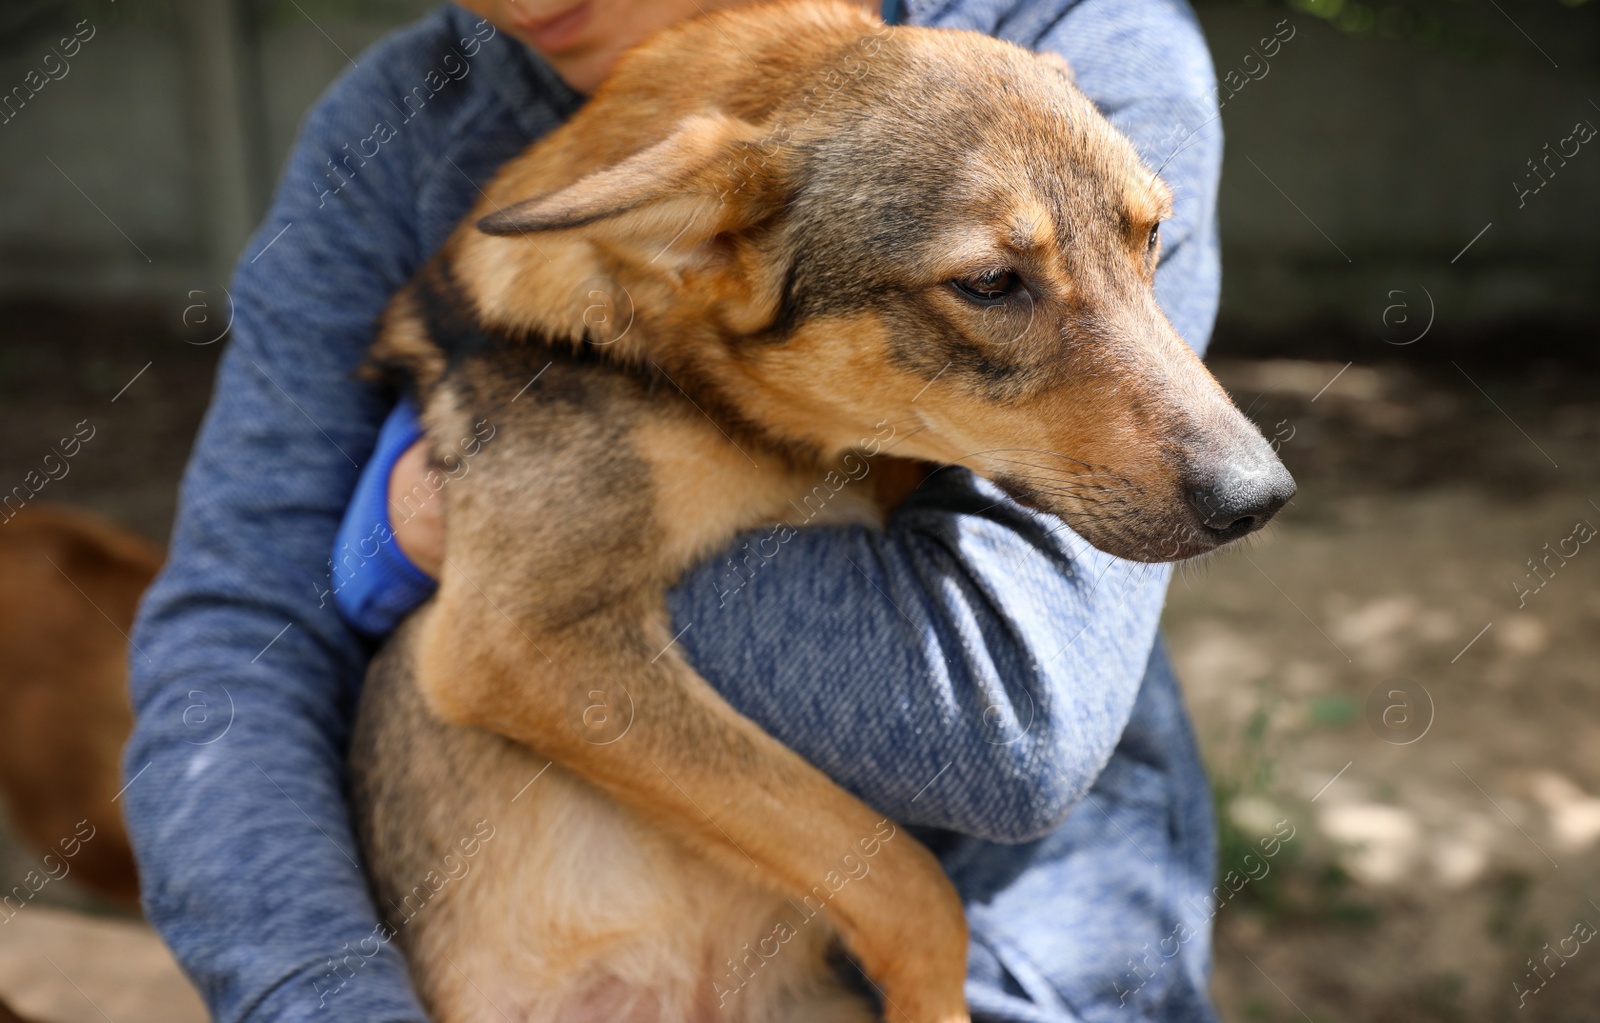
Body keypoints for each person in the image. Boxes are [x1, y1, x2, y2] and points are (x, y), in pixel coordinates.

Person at [122, 0, 1228, 1020]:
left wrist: (487, 533)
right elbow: (238, 632)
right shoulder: (397, 123)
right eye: (991, 285)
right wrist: (326, 1000)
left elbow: (999, 723)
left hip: (1003, 976)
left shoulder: (1060, 50)